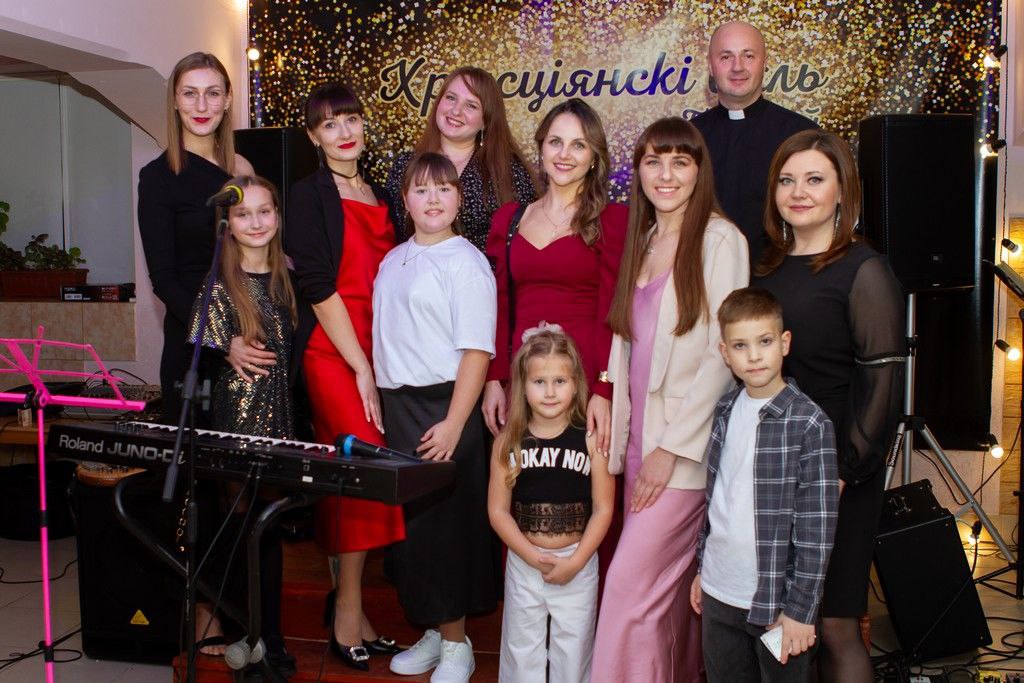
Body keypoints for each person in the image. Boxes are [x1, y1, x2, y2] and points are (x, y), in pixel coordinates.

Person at [592, 117, 748, 682]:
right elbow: (628, 341)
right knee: (664, 604)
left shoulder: (720, 240)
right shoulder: (644, 239)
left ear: (699, 172)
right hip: (637, 444)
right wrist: (607, 395)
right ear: (637, 171)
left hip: (681, 453)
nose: (666, 174)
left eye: (680, 162)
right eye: (653, 161)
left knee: (627, 593)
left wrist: (673, 449)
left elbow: (722, 355)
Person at [753, 129, 904, 683]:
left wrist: (842, 471)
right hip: (773, 463)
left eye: (815, 179)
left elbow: (883, 384)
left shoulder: (865, 269)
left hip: (838, 470)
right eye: (787, 180)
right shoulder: (764, 268)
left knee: (836, 622)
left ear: (843, 190)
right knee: (780, 619)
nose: (799, 192)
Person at [137, 51, 258, 657]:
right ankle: (206, 613)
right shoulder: (158, 178)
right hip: (196, 351)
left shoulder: (243, 169)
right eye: (191, 93)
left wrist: (255, 330)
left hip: (250, 346)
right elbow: (165, 279)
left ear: (228, 98)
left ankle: (250, 613)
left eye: (213, 93)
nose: (202, 105)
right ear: (176, 101)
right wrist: (220, 337)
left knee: (249, 487)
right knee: (200, 487)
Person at [285, 82, 404, 671]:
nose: (344, 132)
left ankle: (352, 607)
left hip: (380, 350)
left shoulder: (381, 192)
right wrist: (359, 366)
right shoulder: (307, 194)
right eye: (329, 124)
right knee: (359, 472)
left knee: (360, 479)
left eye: (351, 119)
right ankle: (348, 612)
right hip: (333, 351)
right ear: (314, 137)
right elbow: (316, 284)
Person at [373, 152, 498, 683]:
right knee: (416, 533)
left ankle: (455, 646)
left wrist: (453, 423)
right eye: (421, 189)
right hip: (401, 408)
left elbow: (477, 351)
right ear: (404, 200)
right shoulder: (393, 259)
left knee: (448, 530)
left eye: (443, 188)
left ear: (458, 198)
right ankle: (432, 631)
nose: (432, 199)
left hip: (445, 407)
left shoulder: (465, 262)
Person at [690, 287, 839, 683]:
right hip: (719, 592)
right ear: (725, 353)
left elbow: (817, 528)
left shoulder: (810, 423)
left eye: (765, 342)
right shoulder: (725, 409)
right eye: (740, 346)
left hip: (777, 605)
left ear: (785, 343)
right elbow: (718, 501)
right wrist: (703, 570)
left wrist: (800, 610)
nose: (754, 356)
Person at [187, 175, 297, 675]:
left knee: (268, 534)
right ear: (227, 224)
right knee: (237, 531)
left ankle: (269, 637)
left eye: (264, 211)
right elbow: (199, 350)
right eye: (242, 214)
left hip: (281, 427)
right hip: (234, 427)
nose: (255, 222)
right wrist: (224, 346)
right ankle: (241, 631)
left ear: (278, 216)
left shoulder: (289, 279)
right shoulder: (218, 283)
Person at [483, 98, 627, 458]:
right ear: (541, 147)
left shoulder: (612, 221)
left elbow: (614, 312)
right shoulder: (509, 220)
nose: (565, 154)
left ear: (593, 157)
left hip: (584, 383)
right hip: (524, 382)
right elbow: (498, 306)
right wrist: (493, 379)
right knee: (520, 480)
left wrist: (604, 388)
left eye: (578, 145)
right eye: (556, 142)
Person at [488, 326, 614, 683]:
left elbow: (604, 509)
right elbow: (497, 511)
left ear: (576, 383)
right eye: (539, 382)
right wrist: (530, 555)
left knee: (573, 653)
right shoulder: (507, 443)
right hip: (524, 561)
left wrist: (575, 561)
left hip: (578, 561)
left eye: (560, 381)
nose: (549, 392)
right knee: (521, 652)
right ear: (522, 386)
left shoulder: (592, 439)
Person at [692, 20, 817, 265]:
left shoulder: (802, 135)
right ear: (710, 66)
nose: (737, 67)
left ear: (764, 62)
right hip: (703, 274)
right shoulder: (690, 137)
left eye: (748, 56)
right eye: (726, 57)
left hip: (781, 275)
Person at [385, 66, 537, 251]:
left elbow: (526, 246)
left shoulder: (509, 172)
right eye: (451, 98)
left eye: (471, 105)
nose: (456, 111)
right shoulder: (404, 166)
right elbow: (391, 237)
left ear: (486, 121)